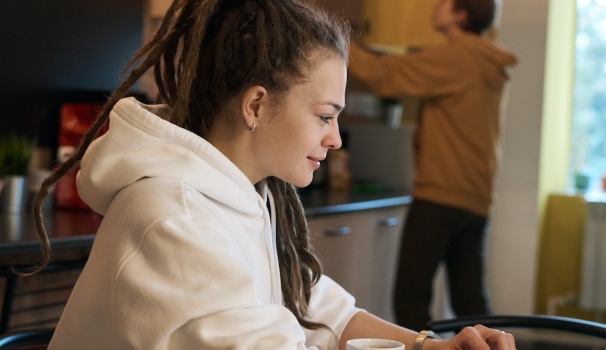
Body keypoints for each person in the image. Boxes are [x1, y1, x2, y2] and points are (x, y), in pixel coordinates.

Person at [29, 0, 515, 349]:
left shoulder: (255, 195)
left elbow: (320, 311)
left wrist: (429, 346)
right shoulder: (174, 220)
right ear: (256, 105)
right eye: (326, 116)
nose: (336, 138)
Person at [347, 0, 518, 332]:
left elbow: (384, 75)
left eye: (444, 1)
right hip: (476, 197)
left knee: (410, 300)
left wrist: (333, 37)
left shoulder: (456, 56)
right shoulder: (485, 59)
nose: (435, 5)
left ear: (461, 14)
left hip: (439, 196)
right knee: (470, 303)